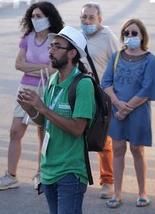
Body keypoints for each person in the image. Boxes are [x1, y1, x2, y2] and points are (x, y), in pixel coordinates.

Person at [17, 26, 96, 214]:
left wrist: (42, 107)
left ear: (71, 53)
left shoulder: (83, 84)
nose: (50, 51)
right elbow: (46, 122)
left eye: (56, 47)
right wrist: (31, 108)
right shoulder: (53, 80)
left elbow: (77, 128)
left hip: (70, 171)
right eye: (50, 46)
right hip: (49, 168)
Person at [0, 1, 64, 191]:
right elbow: (18, 64)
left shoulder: (56, 40)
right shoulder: (28, 37)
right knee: (15, 131)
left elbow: (52, 70)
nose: (35, 20)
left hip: (46, 89)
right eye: (33, 16)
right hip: (26, 88)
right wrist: (40, 68)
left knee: (43, 132)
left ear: (49, 17)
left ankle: (41, 173)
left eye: (39, 16)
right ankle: (11, 175)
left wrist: (31, 67)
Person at [101, 18, 155, 208]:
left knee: (137, 149)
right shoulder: (116, 56)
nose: (130, 36)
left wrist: (127, 108)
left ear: (142, 35)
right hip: (117, 109)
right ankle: (117, 193)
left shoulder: (150, 59)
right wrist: (118, 104)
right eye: (126, 33)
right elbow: (106, 83)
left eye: (134, 33)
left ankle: (142, 192)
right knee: (117, 149)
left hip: (138, 111)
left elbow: (147, 88)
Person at [80, 2, 120, 199]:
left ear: (99, 20)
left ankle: (108, 181)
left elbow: (118, 65)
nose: (87, 21)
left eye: (91, 18)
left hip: (101, 95)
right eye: (84, 17)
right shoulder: (78, 37)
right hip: (79, 93)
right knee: (76, 135)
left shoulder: (108, 37)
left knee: (103, 139)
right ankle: (77, 177)